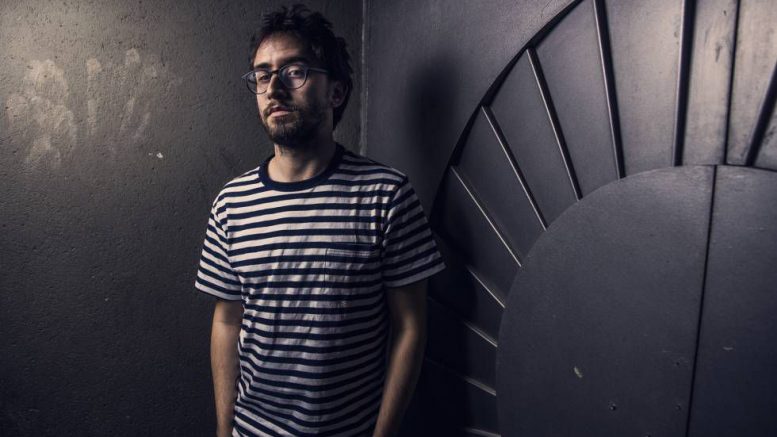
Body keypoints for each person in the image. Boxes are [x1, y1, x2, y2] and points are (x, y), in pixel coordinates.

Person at [195, 5, 445, 436]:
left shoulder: (386, 195)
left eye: (294, 71)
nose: (274, 88)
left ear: (336, 92)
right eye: (262, 75)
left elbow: (410, 326)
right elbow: (227, 321)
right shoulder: (231, 204)